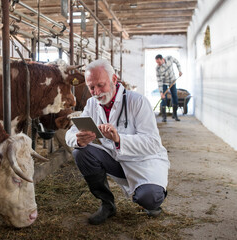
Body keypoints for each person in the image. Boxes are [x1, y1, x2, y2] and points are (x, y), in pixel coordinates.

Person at [65, 59, 169, 225]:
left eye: (100, 85)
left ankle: (153, 200)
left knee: (149, 198)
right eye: (91, 87)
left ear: (114, 80)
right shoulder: (92, 104)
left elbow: (153, 143)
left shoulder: (138, 101)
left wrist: (119, 139)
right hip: (114, 159)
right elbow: (70, 134)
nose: (96, 91)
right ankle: (107, 204)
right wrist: (77, 139)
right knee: (80, 152)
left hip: (143, 162)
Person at [155, 54, 183, 122]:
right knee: (164, 98)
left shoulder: (169, 58)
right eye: (157, 62)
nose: (158, 64)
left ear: (162, 59)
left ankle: (175, 115)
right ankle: (164, 117)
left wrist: (179, 70)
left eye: (159, 62)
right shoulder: (158, 68)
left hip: (172, 81)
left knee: (175, 97)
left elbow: (177, 62)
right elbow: (159, 81)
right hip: (164, 83)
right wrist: (161, 92)